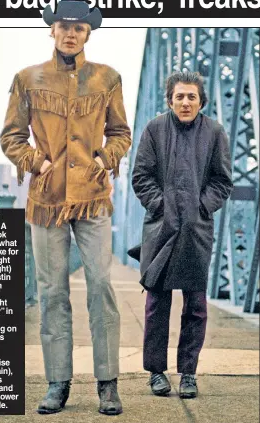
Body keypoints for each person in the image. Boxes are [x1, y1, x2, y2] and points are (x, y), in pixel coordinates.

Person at [0, 0, 131, 415]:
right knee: (52, 292)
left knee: (101, 289)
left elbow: (121, 133)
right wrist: (34, 162)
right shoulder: (27, 78)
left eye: (79, 27)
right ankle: (58, 383)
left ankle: (107, 384)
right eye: (64, 26)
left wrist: (102, 159)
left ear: (88, 33)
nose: (71, 33)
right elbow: (11, 136)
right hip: (47, 200)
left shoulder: (107, 78)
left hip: (93, 198)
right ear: (52, 30)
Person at [130, 71, 233, 399]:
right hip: (161, 230)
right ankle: (156, 373)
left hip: (196, 232)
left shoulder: (215, 132)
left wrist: (201, 208)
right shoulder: (154, 129)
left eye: (191, 97)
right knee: (156, 304)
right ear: (169, 100)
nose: (185, 102)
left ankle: (188, 373)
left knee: (196, 307)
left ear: (201, 101)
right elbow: (141, 175)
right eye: (179, 96)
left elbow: (222, 180)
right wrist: (161, 207)